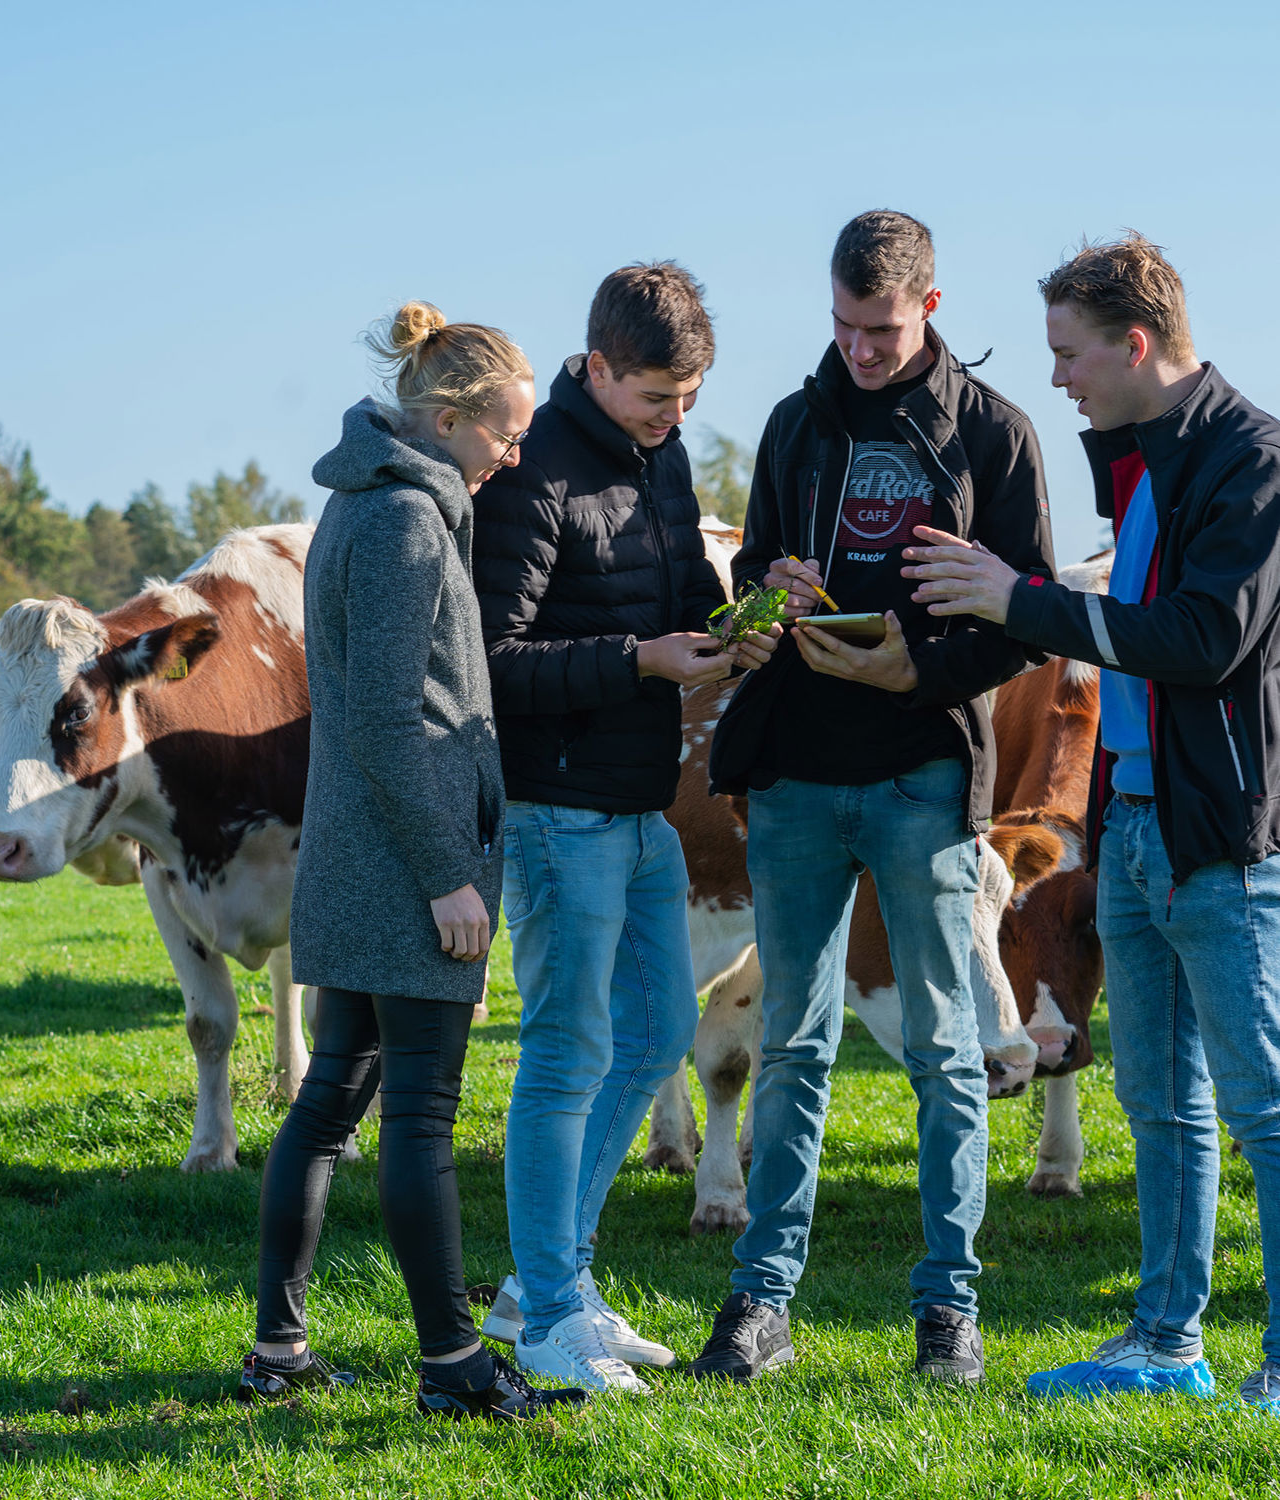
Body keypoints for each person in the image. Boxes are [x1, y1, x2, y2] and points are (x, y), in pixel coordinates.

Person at [904, 233, 1280, 1413]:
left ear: (1136, 342)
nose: (1056, 377)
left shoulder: (1253, 462)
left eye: (1069, 353)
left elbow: (1205, 640)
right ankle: (1167, 1341)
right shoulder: (1146, 462)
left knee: (1262, 1101)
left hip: (1221, 836)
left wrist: (1026, 601)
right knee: (1158, 1097)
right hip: (1132, 821)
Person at [693, 210, 1056, 1385]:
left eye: (883, 329)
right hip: (798, 770)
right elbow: (747, 576)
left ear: (932, 310)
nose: (859, 348)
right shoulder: (796, 424)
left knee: (948, 1050)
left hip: (923, 771)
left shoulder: (996, 434)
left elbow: (1027, 613)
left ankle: (949, 1309)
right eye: (844, 326)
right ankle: (761, 1303)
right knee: (794, 1042)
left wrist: (924, 666)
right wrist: (773, 584)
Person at [242, 302, 586, 1423]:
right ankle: (452, 1367)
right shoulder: (401, 524)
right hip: (403, 865)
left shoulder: (370, 499)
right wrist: (448, 873)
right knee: (417, 1115)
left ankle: (278, 1350)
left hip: (365, 851)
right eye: (505, 435)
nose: (516, 456)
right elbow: (392, 723)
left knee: (330, 1099)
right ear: (445, 421)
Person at [472, 262, 779, 1394]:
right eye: (657, 398)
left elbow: (683, 594)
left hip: (640, 803)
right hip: (557, 810)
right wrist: (642, 661)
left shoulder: (659, 457)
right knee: (565, 1054)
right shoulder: (527, 475)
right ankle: (551, 1312)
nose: (674, 419)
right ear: (596, 367)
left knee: (652, 1037)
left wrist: (743, 616)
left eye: (689, 401)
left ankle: (547, 1282)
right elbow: (493, 667)